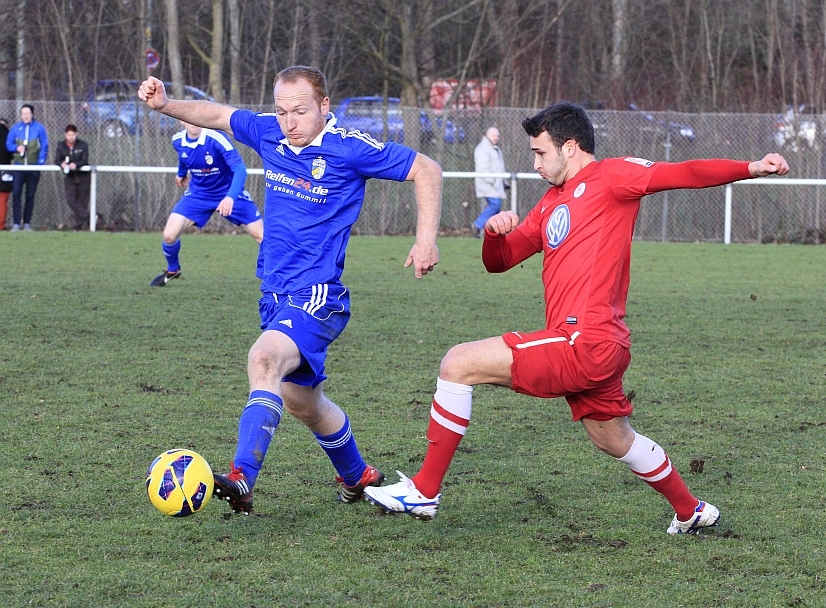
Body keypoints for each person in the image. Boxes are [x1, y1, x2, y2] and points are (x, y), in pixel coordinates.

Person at [364, 102, 789, 534]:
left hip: (585, 341)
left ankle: (424, 490)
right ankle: (690, 509)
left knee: (458, 363)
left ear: (569, 147)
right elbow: (501, 261)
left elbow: (684, 173)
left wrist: (751, 168)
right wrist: (493, 235)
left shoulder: (613, 176)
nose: (535, 164)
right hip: (595, 346)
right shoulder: (552, 201)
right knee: (614, 439)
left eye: (540, 153)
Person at [137, 66, 442, 514]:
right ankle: (357, 475)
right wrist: (166, 106)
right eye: (281, 111)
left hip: (318, 294)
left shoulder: (349, 147)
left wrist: (425, 240)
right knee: (302, 401)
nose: (288, 122)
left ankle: (242, 478)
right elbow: (218, 115)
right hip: (274, 294)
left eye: (299, 111)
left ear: (324, 106)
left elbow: (427, 169)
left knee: (263, 358)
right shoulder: (270, 133)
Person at [149, 120, 264, 286]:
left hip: (228, 192)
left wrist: (230, 197)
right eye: (188, 117)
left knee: (262, 236)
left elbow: (240, 169)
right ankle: (173, 269)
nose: (193, 121)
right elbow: (184, 157)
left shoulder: (216, 138)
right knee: (169, 236)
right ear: (181, 120)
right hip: (199, 195)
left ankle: (278, 276)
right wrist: (181, 173)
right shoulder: (177, 140)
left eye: (196, 117)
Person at [5, 104, 48, 232]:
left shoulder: (39, 128)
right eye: (23, 113)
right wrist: (16, 148)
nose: (25, 116)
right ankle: (16, 224)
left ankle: (27, 224)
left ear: (32, 114)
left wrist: (40, 163)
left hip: (33, 168)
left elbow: (44, 146)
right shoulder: (15, 128)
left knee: (30, 195)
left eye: (27, 113)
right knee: (16, 194)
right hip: (18, 167)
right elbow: (8, 144)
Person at [55, 124, 91, 230]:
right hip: (70, 177)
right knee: (71, 200)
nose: (71, 137)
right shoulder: (61, 146)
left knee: (82, 202)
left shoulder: (83, 145)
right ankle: (89, 217)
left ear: (77, 134)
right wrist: (62, 164)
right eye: (68, 135)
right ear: (65, 135)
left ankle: (78, 226)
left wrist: (76, 164)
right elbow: (57, 160)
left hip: (83, 177)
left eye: (73, 135)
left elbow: (84, 160)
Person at [471, 126, 506, 237]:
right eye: (494, 136)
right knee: (495, 204)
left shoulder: (494, 148)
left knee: (496, 209)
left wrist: (504, 182)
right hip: (488, 184)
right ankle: (477, 225)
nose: (496, 138)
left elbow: (499, 167)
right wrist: (493, 181)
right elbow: (483, 168)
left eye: (497, 136)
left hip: (496, 184)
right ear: (487, 135)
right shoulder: (482, 148)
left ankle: (493, 233)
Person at [0, 119, 12, 230]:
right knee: (2, 199)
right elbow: (11, 152)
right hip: (5, 169)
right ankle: (1, 225)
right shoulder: (8, 135)